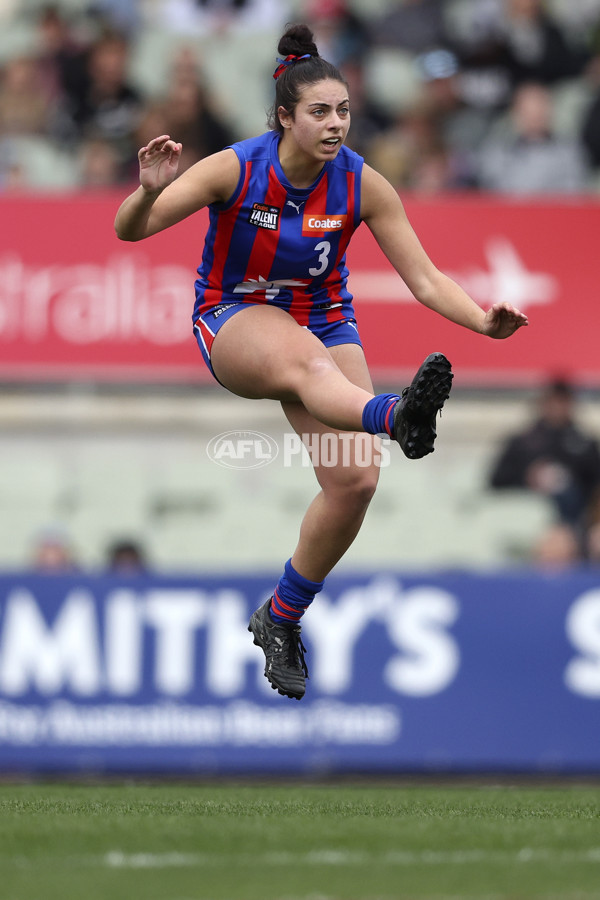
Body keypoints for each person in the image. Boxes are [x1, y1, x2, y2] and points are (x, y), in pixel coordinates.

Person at [114, 23, 528, 701]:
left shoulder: (363, 184)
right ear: (283, 117)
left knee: (356, 482)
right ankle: (398, 415)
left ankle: (280, 618)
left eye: (342, 111)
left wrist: (483, 320)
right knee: (311, 366)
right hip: (231, 317)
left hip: (324, 319)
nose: (335, 124)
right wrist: (149, 189)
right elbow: (130, 231)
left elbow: (424, 280)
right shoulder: (235, 167)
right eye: (318, 113)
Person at [488, 377, 600, 557]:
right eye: (553, 401)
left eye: (563, 402)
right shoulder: (522, 442)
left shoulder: (585, 444)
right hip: (527, 518)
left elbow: (595, 485)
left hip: (578, 521)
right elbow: (495, 481)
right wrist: (528, 478)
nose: (557, 408)